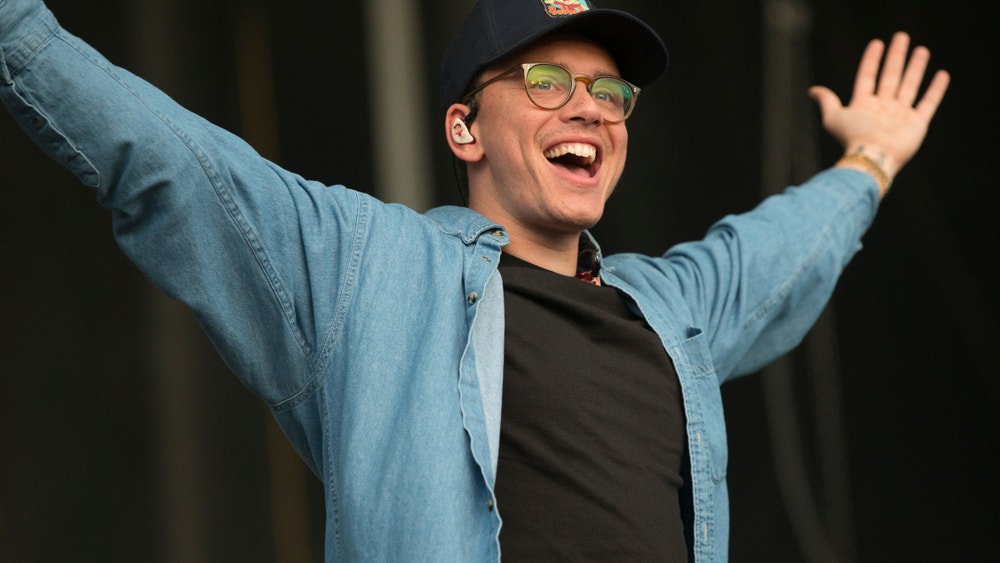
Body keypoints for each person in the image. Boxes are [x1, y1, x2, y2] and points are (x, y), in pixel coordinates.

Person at [0, 0, 949, 560]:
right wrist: (20, 33)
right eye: (548, 83)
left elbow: (776, 254)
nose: (591, 109)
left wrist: (868, 160)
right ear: (465, 129)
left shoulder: (670, 307)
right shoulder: (371, 266)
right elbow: (170, 158)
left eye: (610, 93)